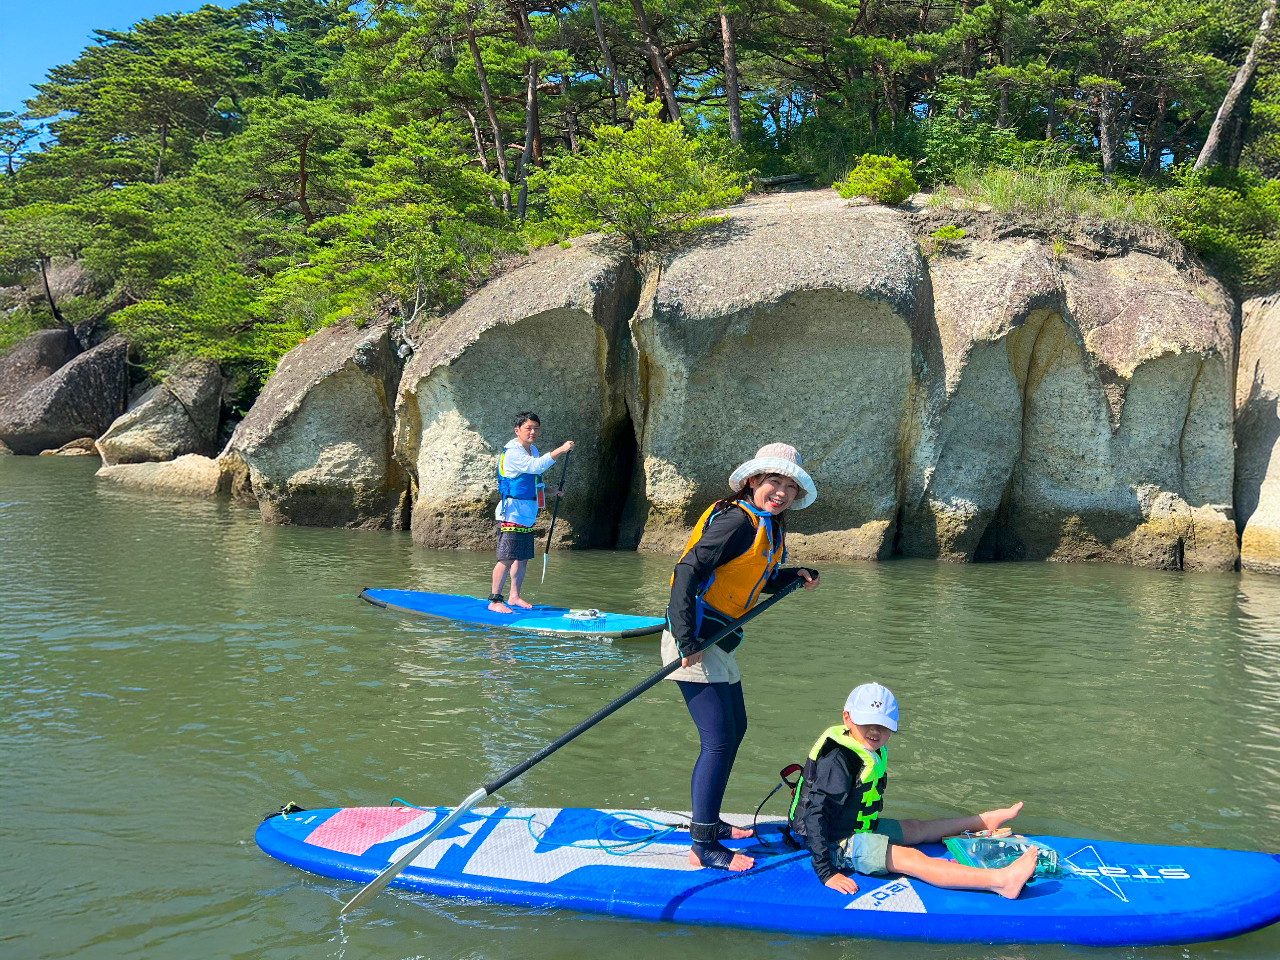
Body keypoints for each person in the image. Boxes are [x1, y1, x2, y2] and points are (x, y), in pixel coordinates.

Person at [665, 442, 821, 872]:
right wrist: (684, 638)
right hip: (695, 637)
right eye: (774, 482)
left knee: (735, 729)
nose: (782, 492)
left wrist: (794, 575)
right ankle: (703, 846)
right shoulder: (737, 519)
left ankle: (710, 823)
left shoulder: (766, 525)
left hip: (718, 638)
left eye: (790, 486)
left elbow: (758, 576)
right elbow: (686, 571)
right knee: (717, 739)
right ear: (753, 481)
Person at [787, 682, 1038, 899]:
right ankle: (1002, 881)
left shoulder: (866, 747)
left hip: (856, 827)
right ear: (847, 718)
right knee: (911, 859)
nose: (875, 731)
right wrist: (826, 871)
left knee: (917, 828)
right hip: (831, 843)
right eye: (867, 723)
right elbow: (815, 815)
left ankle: (982, 820)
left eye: (883, 726)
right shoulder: (838, 762)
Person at [489, 411, 573, 613]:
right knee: (506, 558)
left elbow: (532, 481)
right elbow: (534, 467)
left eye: (536, 428)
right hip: (511, 513)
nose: (533, 431)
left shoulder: (532, 449)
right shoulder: (513, 453)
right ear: (517, 431)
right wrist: (561, 450)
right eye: (528, 428)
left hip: (527, 514)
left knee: (522, 557)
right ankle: (494, 600)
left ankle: (514, 596)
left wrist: (551, 491)